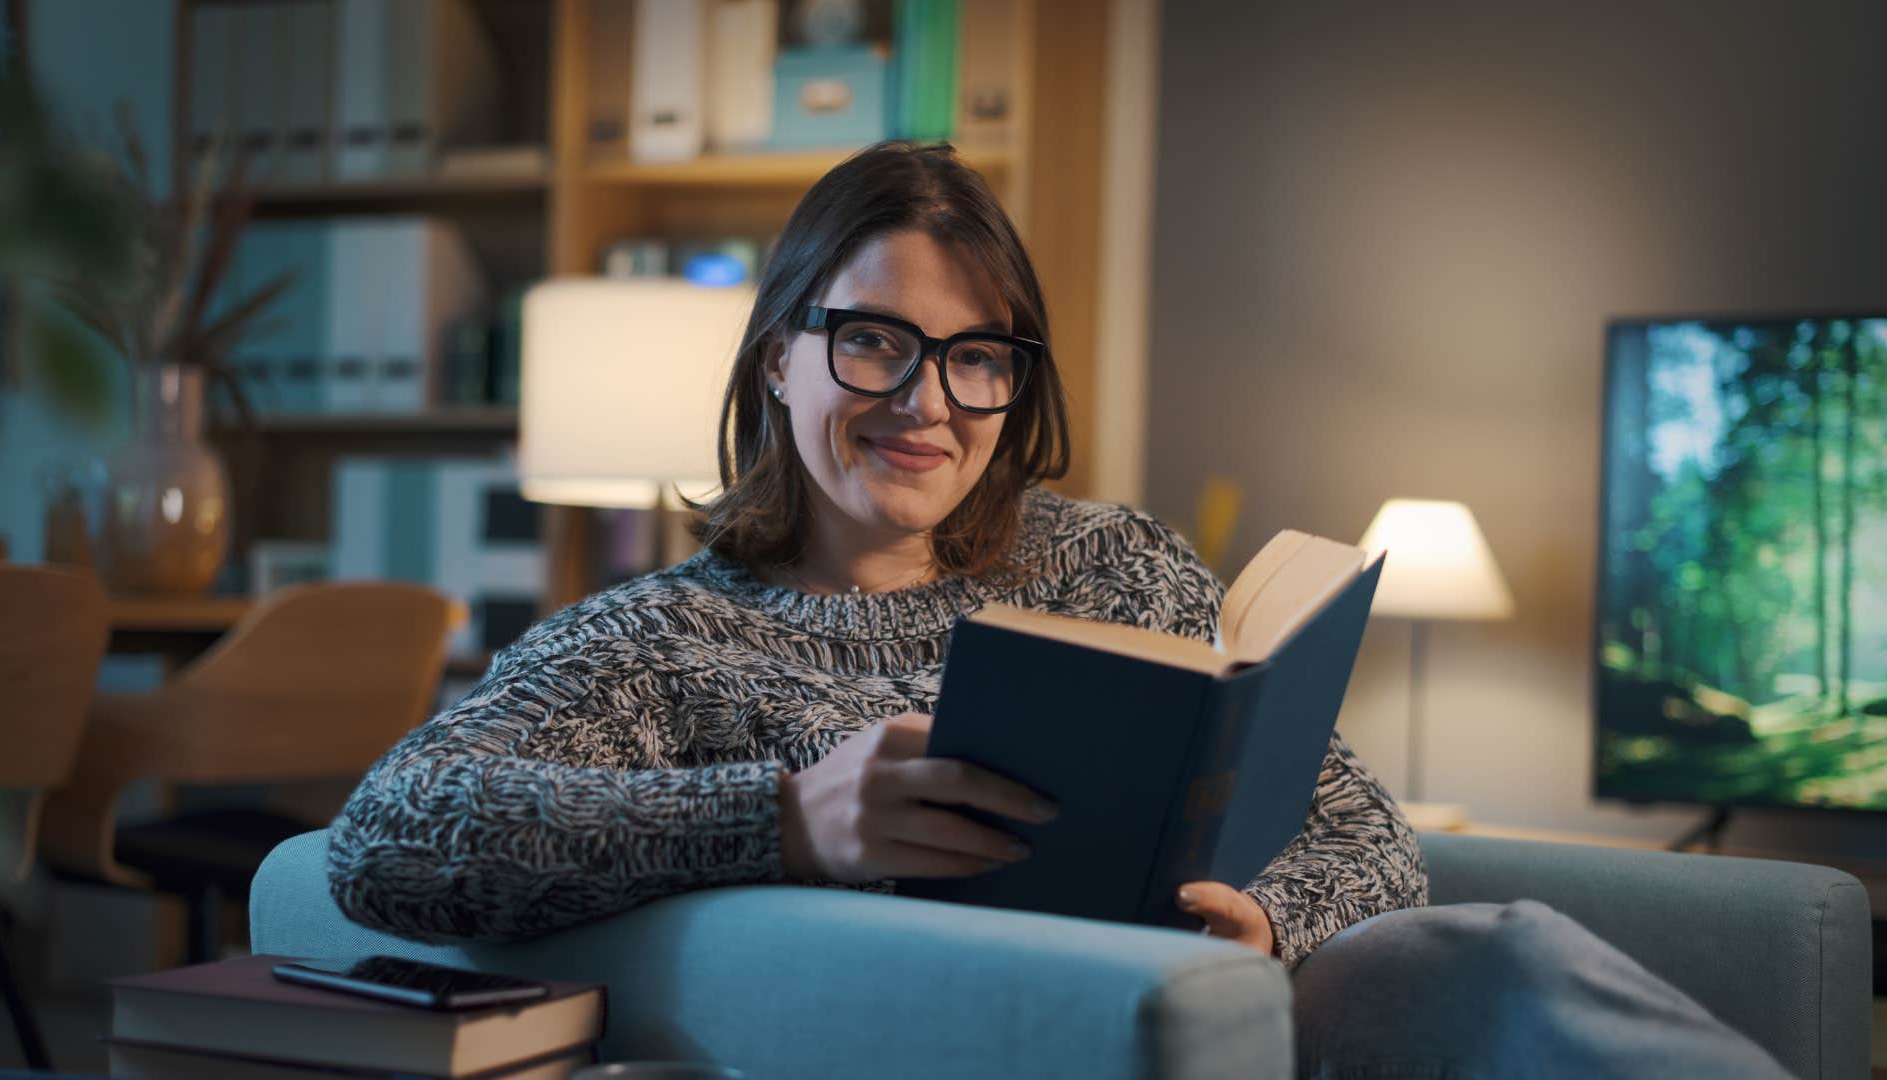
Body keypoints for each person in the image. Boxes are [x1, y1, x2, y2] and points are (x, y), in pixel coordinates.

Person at [328, 141, 1789, 1079]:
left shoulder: (1115, 565)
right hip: (991, 1039)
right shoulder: (661, 639)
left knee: (1502, 952)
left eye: (979, 359)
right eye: (877, 341)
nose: (927, 402)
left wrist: (1265, 927)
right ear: (779, 357)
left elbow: (1362, 833)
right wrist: (777, 821)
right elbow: (392, 836)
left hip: (1234, 1028)